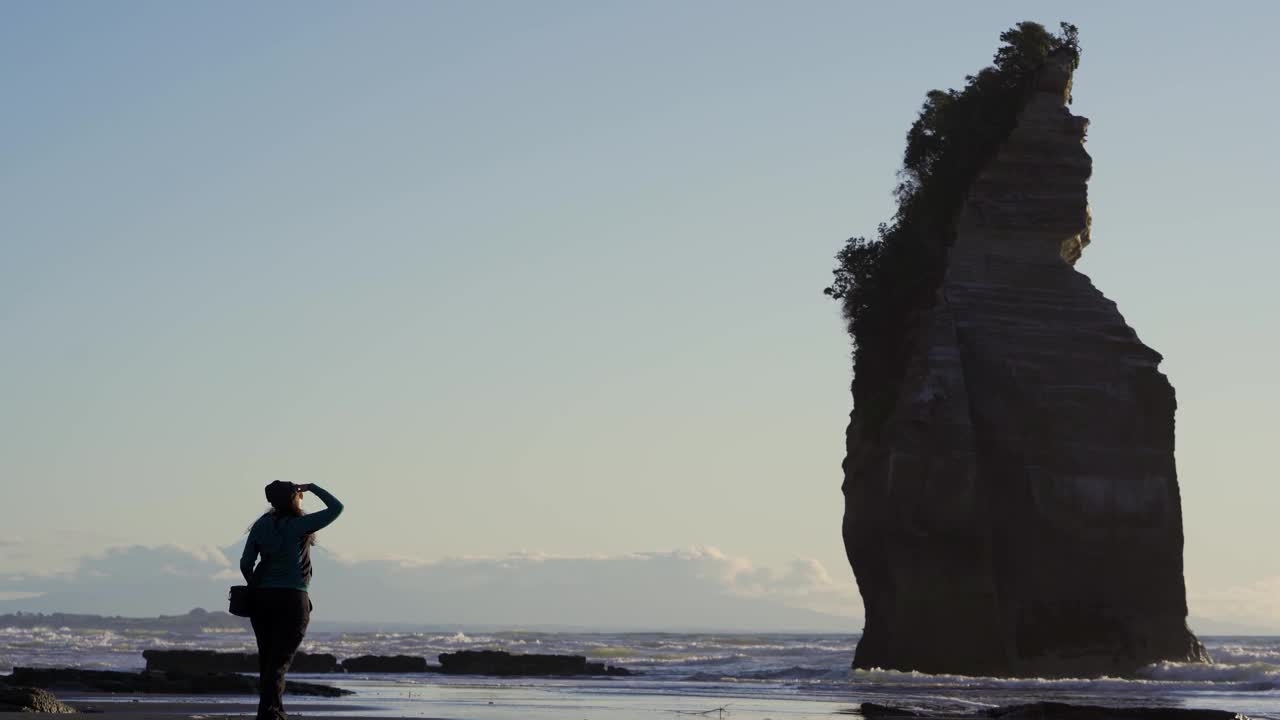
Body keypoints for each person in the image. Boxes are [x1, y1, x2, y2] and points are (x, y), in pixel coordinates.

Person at [240, 481, 343, 720]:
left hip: (262, 599)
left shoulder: (261, 525)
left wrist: (255, 584)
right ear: (293, 499)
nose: (302, 498)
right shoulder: (299, 525)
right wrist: (313, 487)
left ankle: (269, 713)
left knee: (268, 660)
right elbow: (337, 508)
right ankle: (272, 714)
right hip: (292, 598)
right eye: (299, 495)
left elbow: (246, 563)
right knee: (279, 662)